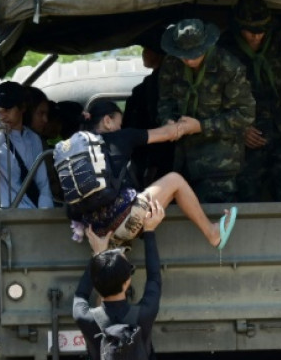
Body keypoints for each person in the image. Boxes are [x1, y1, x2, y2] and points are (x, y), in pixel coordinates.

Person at [71, 100, 236, 249]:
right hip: (124, 223)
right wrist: (180, 126)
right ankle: (213, 233)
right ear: (107, 121)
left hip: (95, 235)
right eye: (118, 124)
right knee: (175, 180)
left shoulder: (75, 151)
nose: (120, 128)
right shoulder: (120, 137)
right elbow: (165, 134)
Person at [156, 18, 255, 203]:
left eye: (195, 54)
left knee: (214, 220)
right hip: (182, 161)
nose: (189, 60)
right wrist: (167, 121)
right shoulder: (172, 64)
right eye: (183, 55)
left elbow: (245, 115)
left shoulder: (229, 67)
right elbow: (165, 101)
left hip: (219, 164)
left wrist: (201, 126)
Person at [73, 199, 166, 360]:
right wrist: (149, 230)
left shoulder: (85, 318)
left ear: (96, 286)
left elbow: (81, 294)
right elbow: (154, 277)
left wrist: (98, 254)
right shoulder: (144, 314)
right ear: (128, 282)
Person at [220, 0, 281, 202]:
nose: (257, 37)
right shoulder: (225, 48)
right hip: (247, 137)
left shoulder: (279, 40)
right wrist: (239, 129)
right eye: (251, 31)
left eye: (262, 31)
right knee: (248, 197)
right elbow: (216, 98)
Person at [0, 81, 54, 209]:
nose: (2, 115)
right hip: (6, 216)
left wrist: (44, 216)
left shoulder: (33, 139)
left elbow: (43, 184)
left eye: (7, 110)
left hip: (32, 215)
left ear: (22, 108)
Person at [123, 31, 174, 188]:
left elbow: (154, 123)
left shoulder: (155, 86)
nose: (144, 53)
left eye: (147, 49)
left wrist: (152, 164)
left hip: (157, 158)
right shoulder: (148, 85)